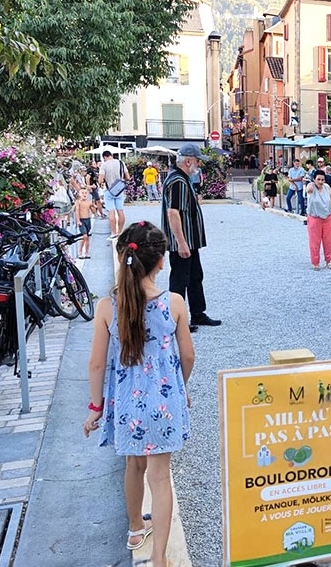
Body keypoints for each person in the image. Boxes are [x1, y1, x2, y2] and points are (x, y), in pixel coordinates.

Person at [83, 221, 194, 567]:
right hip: (164, 403)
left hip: (127, 405)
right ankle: (160, 557)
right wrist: (181, 387)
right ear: (162, 262)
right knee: (159, 478)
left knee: (133, 465)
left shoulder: (107, 307)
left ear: (122, 258)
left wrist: (95, 407)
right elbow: (188, 356)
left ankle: (135, 528)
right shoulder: (174, 303)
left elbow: (97, 365)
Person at [163, 143, 222, 332]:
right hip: (183, 241)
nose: (199, 165)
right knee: (180, 280)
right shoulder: (178, 181)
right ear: (188, 161)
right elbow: (173, 213)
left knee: (195, 276)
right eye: (197, 161)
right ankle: (177, 320)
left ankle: (197, 313)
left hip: (189, 241)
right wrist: (181, 242)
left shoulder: (182, 179)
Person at [304, 169, 331, 270]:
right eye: (318, 179)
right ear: (314, 179)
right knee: (314, 241)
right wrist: (310, 184)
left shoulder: (327, 187)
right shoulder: (311, 186)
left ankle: (329, 261)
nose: (320, 182)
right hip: (314, 218)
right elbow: (309, 190)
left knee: (328, 241)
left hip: (328, 217)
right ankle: (315, 262)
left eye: (322, 179)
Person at [99, 151, 129, 237]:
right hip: (119, 190)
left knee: (111, 212)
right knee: (120, 211)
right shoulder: (121, 163)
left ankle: (114, 232)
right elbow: (128, 177)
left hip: (109, 190)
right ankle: (120, 231)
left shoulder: (104, 165)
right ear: (111, 155)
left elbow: (100, 180)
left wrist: (104, 181)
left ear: (104, 157)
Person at [76, 189, 94, 259]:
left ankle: (86, 252)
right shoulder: (78, 202)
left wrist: (94, 207)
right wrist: (78, 220)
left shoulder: (89, 202)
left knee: (87, 238)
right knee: (84, 236)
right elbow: (77, 211)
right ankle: (80, 251)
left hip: (88, 220)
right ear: (79, 194)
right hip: (82, 220)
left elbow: (93, 211)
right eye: (82, 193)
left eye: (86, 193)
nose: (84, 194)